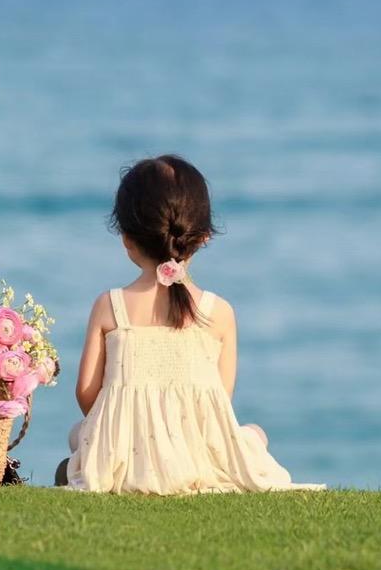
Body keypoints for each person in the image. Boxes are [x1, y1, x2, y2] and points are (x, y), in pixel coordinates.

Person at [56, 154, 325, 494]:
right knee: (255, 434)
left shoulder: (110, 306)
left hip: (124, 456)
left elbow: (87, 397)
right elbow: (218, 402)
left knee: (77, 433)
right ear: (203, 236)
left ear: (126, 237)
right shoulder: (219, 312)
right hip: (196, 455)